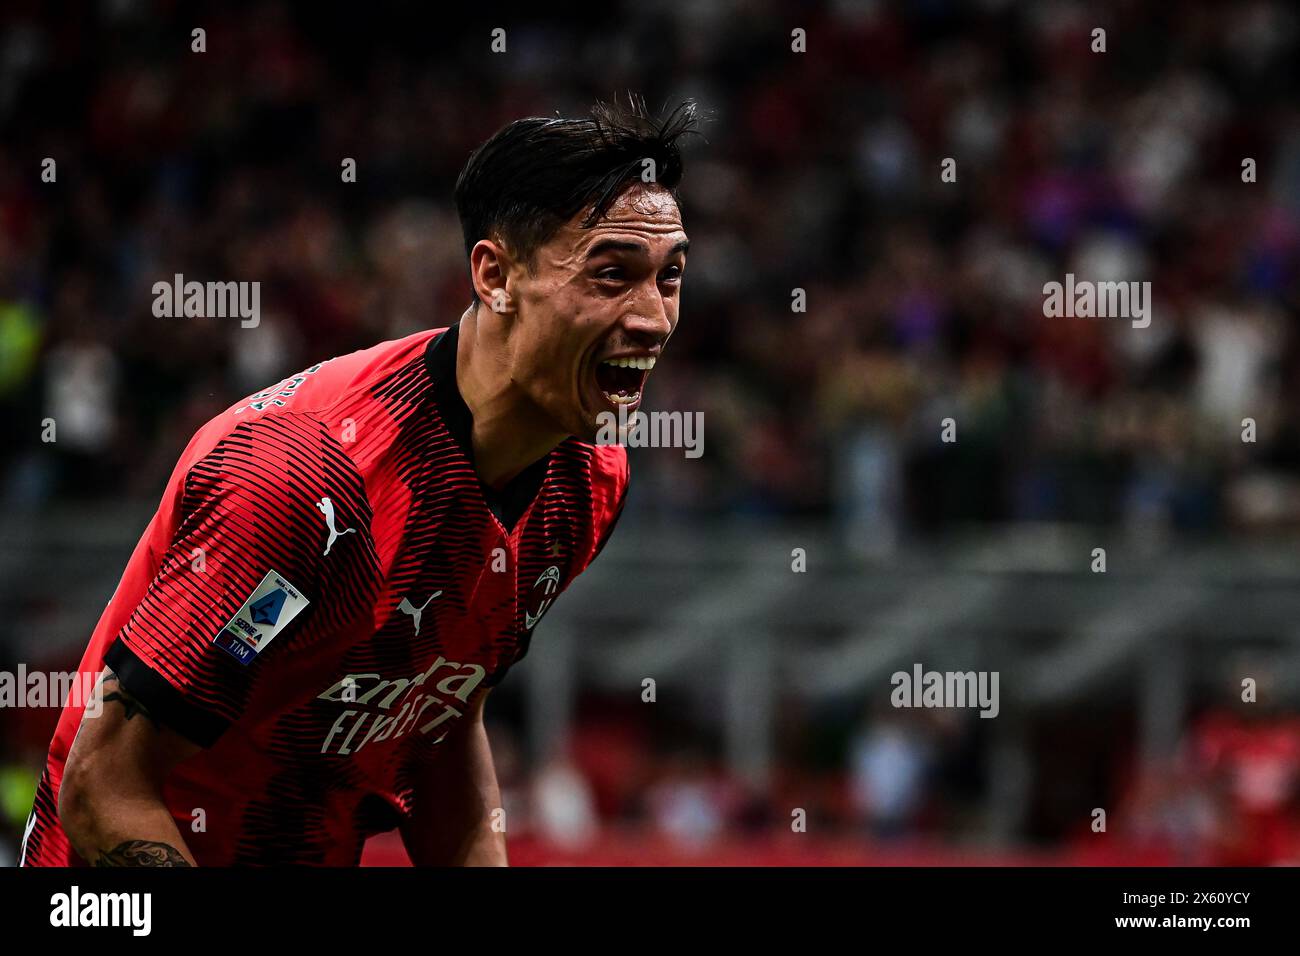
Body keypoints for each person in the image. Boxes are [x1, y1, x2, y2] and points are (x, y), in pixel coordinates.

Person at [21, 98, 697, 866]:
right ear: (496, 274)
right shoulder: (301, 479)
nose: (653, 319)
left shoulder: (587, 482)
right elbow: (103, 782)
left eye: (668, 278)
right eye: (612, 275)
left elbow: (444, 715)